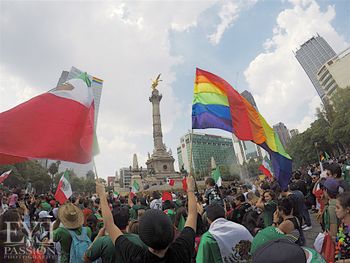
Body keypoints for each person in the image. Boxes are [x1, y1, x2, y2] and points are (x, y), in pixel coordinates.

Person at [96, 176, 197, 262]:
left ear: (142, 236)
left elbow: (109, 225)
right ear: (171, 231)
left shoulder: (136, 257)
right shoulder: (182, 249)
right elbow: (192, 215)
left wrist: (102, 195)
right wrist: (190, 189)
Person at [335, 192, 350, 261]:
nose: (335, 210)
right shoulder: (342, 223)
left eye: (338, 208)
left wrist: (345, 261)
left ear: (347, 210)